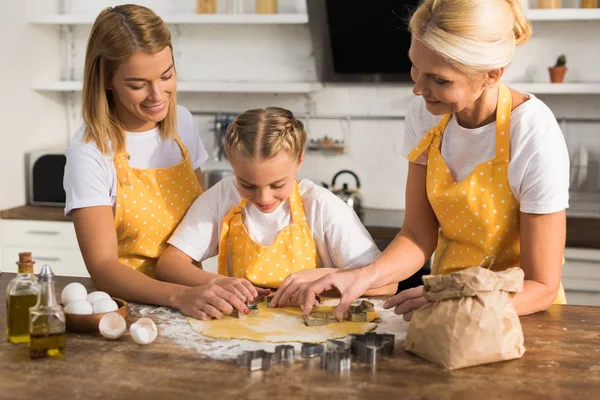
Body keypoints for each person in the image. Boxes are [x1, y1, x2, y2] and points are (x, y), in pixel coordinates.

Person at [299, 0, 570, 321]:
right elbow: (417, 233)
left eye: (439, 80)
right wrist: (361, 277)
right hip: (441, 302)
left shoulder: (531, 130)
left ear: (491, 74)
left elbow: (542, 285)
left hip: (517, 313)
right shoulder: (426, 114)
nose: (418, 88)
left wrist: (461, 304)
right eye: (415, 66)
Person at [64, 4, 262, 319]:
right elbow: (103, 268)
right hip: (131, 312)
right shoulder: (90, 153)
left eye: (166, 75)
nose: (158, 94)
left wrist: (219, 281)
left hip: (193, 302)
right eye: (138, 84)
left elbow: (200, 222)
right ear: (106, 80)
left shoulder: (181, 123)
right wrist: (182, 296)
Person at [157, 107, 397, 320]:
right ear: (232, 165)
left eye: (277, 185)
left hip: (313, 329)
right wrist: (216, 282)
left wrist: (327, 276)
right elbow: (170, 264)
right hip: (244, 330)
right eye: (248, 185)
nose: (263, 198)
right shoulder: (223, 196)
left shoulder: (321, 206)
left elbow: (388, 283)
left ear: (299, 160)